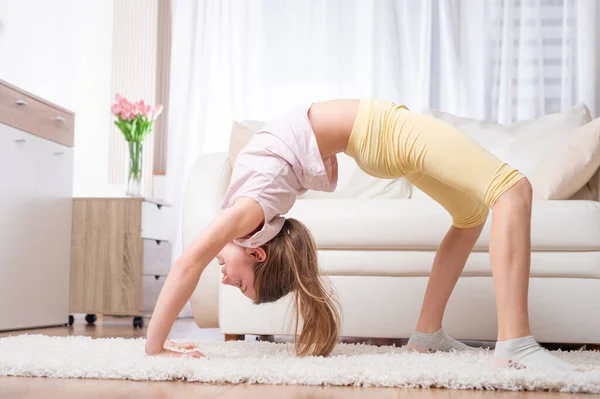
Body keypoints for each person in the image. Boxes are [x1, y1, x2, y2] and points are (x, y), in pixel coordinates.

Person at [144, 98, 579, 372]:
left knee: (470, 214)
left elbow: (188, 263)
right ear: (257, 252)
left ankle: (427, 335)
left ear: (256, 255)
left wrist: (155, 345)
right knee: (513, 188)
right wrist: (157, 348)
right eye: (238, 284)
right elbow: (189, 263)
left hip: (379, 139)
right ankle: (515, 345)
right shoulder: (250, 214)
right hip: (383, 133)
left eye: (237, 284)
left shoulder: (246, 214)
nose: (225, 278)